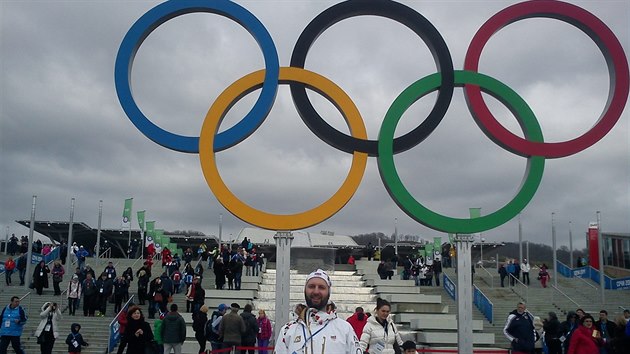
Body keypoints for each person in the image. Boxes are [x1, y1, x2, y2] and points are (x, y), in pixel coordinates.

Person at [274, 269, 361, 354]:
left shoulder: (345, 329)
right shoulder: (288, 330)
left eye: (321, 287)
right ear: (304, 290)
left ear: (329, 292)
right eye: (311, 286)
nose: (316, 291)